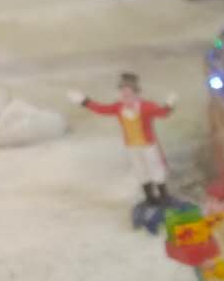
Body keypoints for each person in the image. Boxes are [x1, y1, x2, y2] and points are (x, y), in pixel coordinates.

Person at [70, 73, 176, 206]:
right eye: (123, 91)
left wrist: (169, 105)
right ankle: (150, 198)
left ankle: (164, 197)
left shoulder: (146, 106)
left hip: (148, 145)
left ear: (136, 93)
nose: (125, 94)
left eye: (128, 92)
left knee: (156, 169)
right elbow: (101, 109)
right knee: (140, 170)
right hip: (132, 146)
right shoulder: (118, 107)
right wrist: (84, 101)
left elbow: (162, 113)